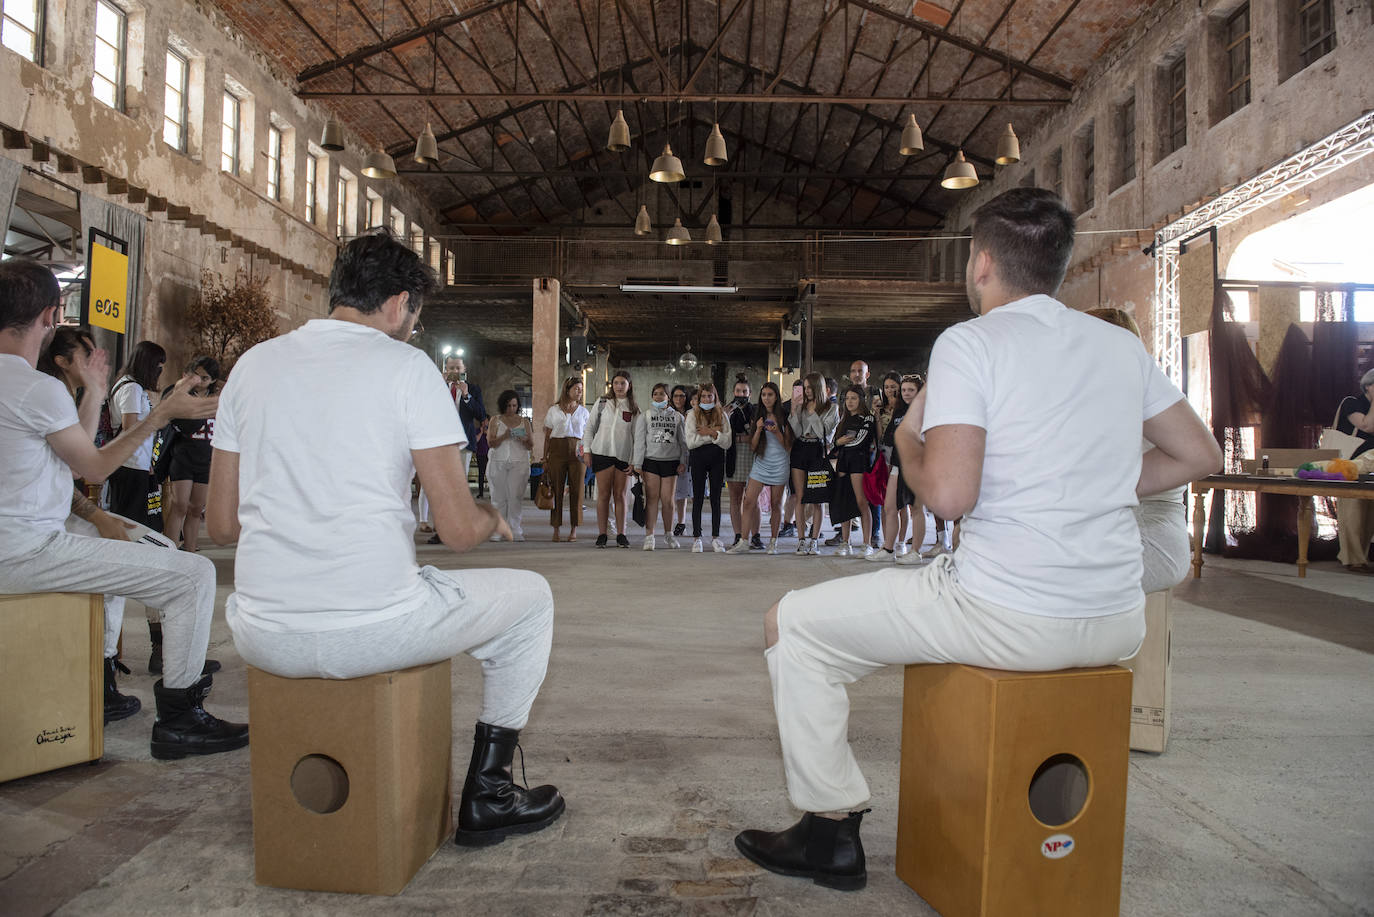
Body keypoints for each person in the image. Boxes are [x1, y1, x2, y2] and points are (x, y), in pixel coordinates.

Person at [734, 188, 1222, 891]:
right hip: (1117, 617)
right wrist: (1095, 481)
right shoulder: (1119, 345)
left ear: (983, 262)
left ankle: (829, 829)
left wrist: (905, 437)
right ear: (1056, 266)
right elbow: (1199, 454)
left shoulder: (969, 342)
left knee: (791, 623)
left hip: (1009, 612)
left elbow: (951, 494)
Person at [207, 232, 563, 846]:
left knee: (417, 584)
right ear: (399, 304)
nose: (413, 329)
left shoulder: (251, 366)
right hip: (370, 629)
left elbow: (219, 525)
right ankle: (490, 793)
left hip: (263, 632)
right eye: (415, 316)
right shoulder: (407, 368)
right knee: (531, 601)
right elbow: (454, 533)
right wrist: (488, 515)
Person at [0, 258, 246, 760]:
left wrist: (92, 389)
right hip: (26, 549)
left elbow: (70, 464)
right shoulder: (33, 387)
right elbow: (93, 470)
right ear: (52, 316)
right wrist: (163, 414)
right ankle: (179, 717)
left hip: (32, 537)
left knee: (153, 543)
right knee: (194, 574)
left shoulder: (31, 389)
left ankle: (106, 679)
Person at [1088, 309, 1192, 591]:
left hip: (1147, 537)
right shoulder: (1099, 399)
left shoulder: (1143, 398)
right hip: (1110, 531)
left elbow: (1204, 457)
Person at [106, 340, 167, 531]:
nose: (159, 371)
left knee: (136, 519)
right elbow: (129, 426)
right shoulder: (132, 388)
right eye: (158, 365)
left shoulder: (132, 386)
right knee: (130, 522)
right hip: (128, 463)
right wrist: (157, 419)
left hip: (136, 462)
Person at [162, 356, 219, 553]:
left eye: (205, 378)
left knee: (196, 509)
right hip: (183, 457)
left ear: (212, 380)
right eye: (197, 376)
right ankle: (169, 549)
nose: (200, 381)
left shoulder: (216, 400)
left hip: (207, 460)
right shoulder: (183, 394)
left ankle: (190, 549)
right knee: (179, 505)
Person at [729, 382, 793, 555]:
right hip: (761, 463)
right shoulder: (758, 413)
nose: (766, 398)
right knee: (748, 501)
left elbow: (788, 446)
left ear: (776, 396)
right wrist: (757, 430)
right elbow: (753, 446)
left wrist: (776, 432)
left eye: (770, 394)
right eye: (764, 394)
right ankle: (743, 540)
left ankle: (773, 542)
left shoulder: (785, 415)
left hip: (780, 463)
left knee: (776, 504)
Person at [584, 370, 645, 548]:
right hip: (602, 453)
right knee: (603, 495)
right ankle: (602, 534)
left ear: (629, 385)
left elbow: (638, 438)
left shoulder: (634, 408)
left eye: (622, 383)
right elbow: (589, 428)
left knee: (621, 495)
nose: (619, 386)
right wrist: (587, 450)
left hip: (624, 457)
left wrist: (634, 461)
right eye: (616, 383)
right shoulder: (602, 403)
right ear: (612, 385)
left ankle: (621, 534)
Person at [868, 374, 924, 564]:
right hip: (896, 465)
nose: (906, 393)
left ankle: (915, 551)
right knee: (889, 506)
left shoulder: (924, 411)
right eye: (904, 390)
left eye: (911, 390)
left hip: (916, 466)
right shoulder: (899, 411)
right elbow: (889, 437)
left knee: (916, 509)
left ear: (919, 392)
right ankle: (888, 548)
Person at [788, 372, 838, 555]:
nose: (807, 391)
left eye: (809, 387)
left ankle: (814, 540)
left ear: (818, 387)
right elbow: (797, 430)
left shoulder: (831, 407)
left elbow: (824, 431)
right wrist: (795, 409)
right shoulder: (802, 406)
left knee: (817, 498)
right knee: (800, 497)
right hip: (800, 448)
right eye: (805, 387)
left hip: (818, 451)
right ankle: (801, 540)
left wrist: (813, 411)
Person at [1332, 367, 1374, 572]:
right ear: (1368, 386)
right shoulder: (1352, 403)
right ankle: (1352, 559)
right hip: (1351, 462)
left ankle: (1363, 556)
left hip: (1371, 465)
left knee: (1369, 513)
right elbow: (1367, 426)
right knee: (1352, 511)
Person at [684, 381, 732, 552]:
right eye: (703, 396)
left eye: (709, 395)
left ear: (714, 396)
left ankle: (716, 537)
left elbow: (727, 442)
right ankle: (697, 537)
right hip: (698, 458)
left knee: (715, 499)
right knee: (697, 498)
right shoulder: (691, 415)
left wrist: (709, 432)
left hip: (717, 458)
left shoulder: (722, 415)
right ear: (698, 397)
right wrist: (714, 434)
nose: (706, 398)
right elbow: (691, 442)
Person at [641, 382, 688, 551]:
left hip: (671, 462)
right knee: (652, 499)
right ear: (652, 396)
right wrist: (637, 463)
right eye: (655, 394)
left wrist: (683, 461)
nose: (658, 397)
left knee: (668, 500)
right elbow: (640, 442)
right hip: (651, 461)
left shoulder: (677, 417)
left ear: (668, 397)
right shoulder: (645, 415)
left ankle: (669, 534)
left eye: (662, 394)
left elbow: (683, 442)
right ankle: (650, 535)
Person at [831, 385, 877, 558]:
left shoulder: (868, 419)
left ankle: (867, 543)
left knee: (861, 502)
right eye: (847, 398)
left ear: (861, 400)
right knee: (844, 502)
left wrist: (840, 443)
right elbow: (834, 442)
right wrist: (838, 443)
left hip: (858, 463)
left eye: (854, 398)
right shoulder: (843, 419)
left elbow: (860, 441)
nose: (850, 402)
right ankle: (845, 542)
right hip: (843, 462)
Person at [542, 376, 590, 543]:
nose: (579, 392)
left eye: (581, 389)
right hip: (557, 449)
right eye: (576, 389)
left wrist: (587, 454)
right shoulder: (553, 410)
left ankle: (574, 529)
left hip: (578, 451)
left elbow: (588, 436)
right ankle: (556, 528)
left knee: (577, 490)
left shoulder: (584, 412)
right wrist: (545, 458)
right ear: (567, 389)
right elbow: (547, 436)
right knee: (556, 489)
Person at [487, 391, 533, 542]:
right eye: (508, 406)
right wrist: (504, 436)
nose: (511, 409)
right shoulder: (496, 420)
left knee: (515, 496)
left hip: (518, 461)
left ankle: (515, 528)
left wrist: (522, 438)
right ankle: (498, 529)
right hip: (498, 461)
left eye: (514, 405)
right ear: (503, 405)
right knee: (498, 497)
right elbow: (491, 443)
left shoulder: (524, 421)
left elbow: (530, 445)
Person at [724, 374, 758, 548]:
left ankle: (756, 535)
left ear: (750, 393)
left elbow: (759, 434)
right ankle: (738, 535)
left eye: (744, 391)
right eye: (738, 390)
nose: (741, 393)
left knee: (753, 498)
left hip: (753, 455)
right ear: (733, 391)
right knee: (736, 498)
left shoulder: (756, 410)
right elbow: (722, 432)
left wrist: (748, 437)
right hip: (733, 454)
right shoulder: (727, 409)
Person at [670, 384, 694, 537]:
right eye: (676, 396)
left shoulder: (692, 413)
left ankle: (687, 521)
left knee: (689, 490)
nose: (679, 399)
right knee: (676, 490)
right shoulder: (669, 413)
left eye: (682, 396)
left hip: (691, 454)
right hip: (672, 454)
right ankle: (679, 522)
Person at [472, 418, 490, 500]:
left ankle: (492, 493)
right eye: (483, 421)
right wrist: (482, 432)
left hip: (490, 455)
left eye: (486, 421)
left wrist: (487, 434)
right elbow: (476, 440)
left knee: (491, 474)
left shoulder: (491, 431)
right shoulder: (477, 430)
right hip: (480, 454)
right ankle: (481, 493)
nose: (485, 423)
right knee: (481, 474)